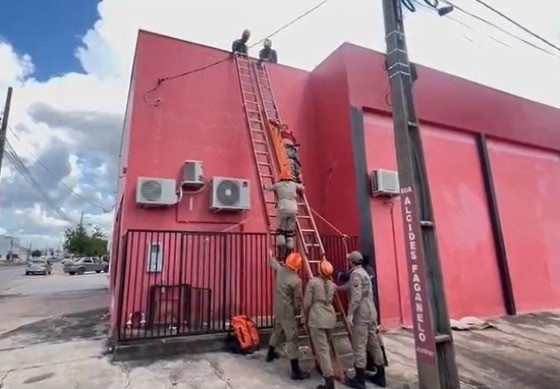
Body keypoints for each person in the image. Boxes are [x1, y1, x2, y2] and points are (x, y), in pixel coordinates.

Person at [336, 255, 389, 374]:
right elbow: (350, 286)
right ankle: (380, 375)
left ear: (352, 261)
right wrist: (337, 288)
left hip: (362, 312)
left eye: (349, 260)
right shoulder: (365, 272)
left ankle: (359, 377)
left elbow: (356, 297)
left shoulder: (355, 274)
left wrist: (350, 315)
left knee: (359, 344)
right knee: (373, 342)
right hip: (371, 310)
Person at [265, 251, 310, 380]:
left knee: (278, 330)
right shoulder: (296, 281)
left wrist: (270, 255)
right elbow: (297, 301)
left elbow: (273, 263)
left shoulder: (280, 270)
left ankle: (270, 354)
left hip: (277, 308)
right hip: (287, 311)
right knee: (292, 338)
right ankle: (295, 371)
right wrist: (297, 313)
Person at [303, 259, 337, 389]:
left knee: (322, 351)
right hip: (330, 318)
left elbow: (307, 303)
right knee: (325, 348)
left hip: (317, 318)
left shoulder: (313, 283)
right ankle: (324, 369)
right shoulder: (332, 285)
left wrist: (305, 316)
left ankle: (329, 381)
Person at [263, 171, 304, 260]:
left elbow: (268, 188)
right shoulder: (294, 184)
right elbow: (302, 187)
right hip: (293, 209)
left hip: (282, 208)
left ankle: (281, 255)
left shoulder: (278, 185)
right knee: (289, 233)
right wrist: (300, 180)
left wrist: (264, 186)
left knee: (281, 232)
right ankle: (289, 255)